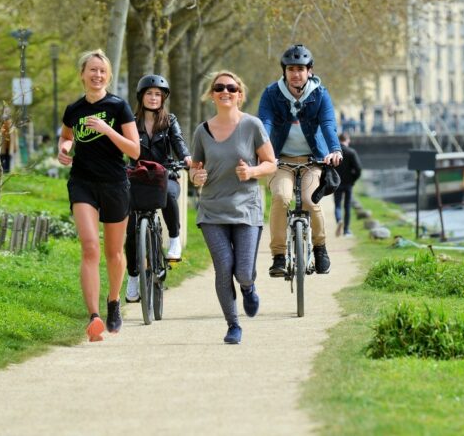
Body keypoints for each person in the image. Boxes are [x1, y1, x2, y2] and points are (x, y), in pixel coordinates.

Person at [57, 49, 140, 342]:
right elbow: (67, 136)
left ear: (108, 75)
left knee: (114, 253)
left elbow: (134, 150)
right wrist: (64, 149)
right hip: (83, 182)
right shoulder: (74, 109)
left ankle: (114, 301)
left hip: (115, 183)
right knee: (90, 247)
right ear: (82, 74)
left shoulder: (119, 107)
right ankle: (93, 317)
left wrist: (107, 130)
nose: (97, 75)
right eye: (92, 70)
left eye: (102, 71)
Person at [189, 71, 276, 344]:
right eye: (219, 87)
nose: (225, 91)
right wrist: (196, 178)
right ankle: (233, 325)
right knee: (224, 267)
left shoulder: (252, 126)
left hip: (246, 209)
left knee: (242, 272)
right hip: (213, 210)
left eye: (231, 87)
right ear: (212, 94)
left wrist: (251, 172)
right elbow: (195, 170)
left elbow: (271, 163)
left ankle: (248, 288)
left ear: (240, 94)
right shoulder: (201, 132)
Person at [257, 44, 342, 278]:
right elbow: (265, 123)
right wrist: (260, 149)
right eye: (291, 69)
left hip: (312, 160)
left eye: (301, 69)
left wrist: (334, 149)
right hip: (280, 160)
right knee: (281, 197)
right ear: (284, 71)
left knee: (308, 200)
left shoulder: (320, 95)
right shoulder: (271, 93)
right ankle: (279, 256)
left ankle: (320, 248)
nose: (296, 74)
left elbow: (327, 125)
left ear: (310, 71)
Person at [125, 74, 191, 305]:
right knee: (131, 231)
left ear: (163, 98)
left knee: (170, 193)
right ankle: (133, 277)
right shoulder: (131, 122)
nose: (153, 98)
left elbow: (179, 142)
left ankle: (173, 239)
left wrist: (187, 158)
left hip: (165, 176)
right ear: (141, 96)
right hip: (138, 178)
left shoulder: (170, 121)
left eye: (158, 95)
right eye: (149, 94)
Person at [333, 131, 362, 237]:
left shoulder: (334, 153)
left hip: (336, 183)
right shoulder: (351, 152)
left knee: (337, 205)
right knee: (347, 206)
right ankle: (346, 230)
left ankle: (339, 219)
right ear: (347, 140)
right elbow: (358, 169)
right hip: (348, 183)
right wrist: (353, 179)